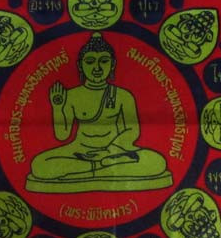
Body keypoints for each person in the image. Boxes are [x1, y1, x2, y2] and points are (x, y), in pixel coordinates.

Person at [29, 33, 170, 187]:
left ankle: (88, 171)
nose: (97, 68)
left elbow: (132, 130)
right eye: (90, 61)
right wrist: (57, 108)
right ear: (80, 65)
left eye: (104, 61)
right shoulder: (71, 95)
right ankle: (101, 168)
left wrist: (109, 151)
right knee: (39, 164)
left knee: (158, 161)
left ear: (113, 64)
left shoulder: (123, 95)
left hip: (115, 151)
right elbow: (62, 135)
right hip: (79, 151)